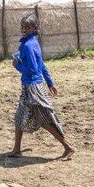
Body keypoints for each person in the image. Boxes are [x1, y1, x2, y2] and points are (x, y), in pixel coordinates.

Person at [7, 15, 76, 161]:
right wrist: (50, 83)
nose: (24, 29)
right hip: (30, 86)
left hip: (33, 88)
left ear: (34, 28)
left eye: (27, 27)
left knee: (44, 120)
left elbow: (32, 70)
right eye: (22, 27)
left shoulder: (27, 46)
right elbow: (42, 64)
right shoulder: (33, 43)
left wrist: (16, 65)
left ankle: (68, 147)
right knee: (19, 117)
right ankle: (17, 149)